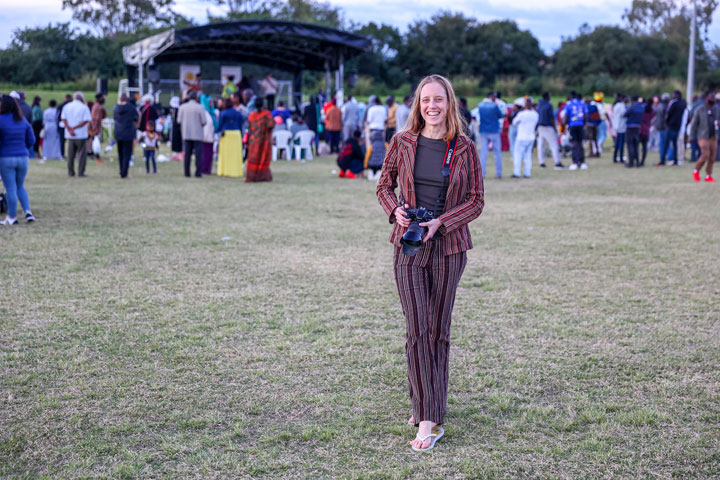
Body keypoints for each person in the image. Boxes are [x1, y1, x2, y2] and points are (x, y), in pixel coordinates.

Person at [376, 74, 484, 453]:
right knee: (417, 328)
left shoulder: (465, 148)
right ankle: (427, 417)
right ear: (417, 105)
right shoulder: (402, 141)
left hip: (449, 248)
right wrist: (397, 213)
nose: (432, 106)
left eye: (438, 99)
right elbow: (383, 186)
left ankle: (428, 405)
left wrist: (442, 221)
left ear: (449, 103)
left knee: (437, 331)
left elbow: (476, 200)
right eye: (425, 101)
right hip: (408, 247)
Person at [0, 95, 36, 225]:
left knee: (10, 188)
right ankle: (28, 212)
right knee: (20, 186)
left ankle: (12, 217)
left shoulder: (1, 120)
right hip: (23, 157)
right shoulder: (22, 120)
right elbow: (31, 140)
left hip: (6, 158)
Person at [61, 92, 92, 177]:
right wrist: (74, 128)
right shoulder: (84, 107)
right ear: (81, 98)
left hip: (69, 134)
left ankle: (71, 172)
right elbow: (86, 120)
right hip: (81, 134)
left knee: (70, 154)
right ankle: (81, 172)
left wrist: (69, 129)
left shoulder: (67, 106)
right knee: (82, 154)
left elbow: (63, 118)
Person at [177, 90, 207, 178]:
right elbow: (204, 121)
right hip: (198, 134)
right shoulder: (200, 107)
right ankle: (198, 173)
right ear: (197, 98)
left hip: (186, 133)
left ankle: (187, 173)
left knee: (187, 154)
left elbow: (179, 120)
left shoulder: (182, 107)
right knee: (198, 155)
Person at [689, 91, 717, 183]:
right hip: (703, 136)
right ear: (707, 98)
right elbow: (693, 124)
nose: (713, 99)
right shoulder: (700, 109)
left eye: (714, 97)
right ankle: (696, 170)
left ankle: (708, 175)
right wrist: (691, 137)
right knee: (705, 154)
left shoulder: (716, 109)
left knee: (712, 157)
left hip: (714, 136)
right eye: (711, 97)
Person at [245, 97, 275, 182]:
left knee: (253, 158)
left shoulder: (251, 115)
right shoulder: (266, 114)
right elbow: (271, 125)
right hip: (264, 141)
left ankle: (252, 176)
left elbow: (250, 127)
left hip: (253, 140)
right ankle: (262, 176)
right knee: (263, 158)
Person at [476, 92, 504, 178]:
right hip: (494, 130)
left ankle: (482, 173)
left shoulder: (480, 105)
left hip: (484, 130)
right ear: (491, 97)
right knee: (497, 152)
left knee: (483, 153)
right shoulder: (494, 105)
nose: (496, 98)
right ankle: (498, 173)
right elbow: (501, 115)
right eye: (495, 97)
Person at [217, 93, 245, 178]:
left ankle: (225, 171)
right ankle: (236, 171)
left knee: (225, 154)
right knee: (235, 154)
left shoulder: (224, 113)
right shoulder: (238, 113)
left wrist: (217, 131)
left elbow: (220, 125)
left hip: (226, 134)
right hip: (236, 134)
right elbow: (241, 124)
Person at [113, 93, 139, 179]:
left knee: (120, 153)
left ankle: (121, 171)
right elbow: (136, 118)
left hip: (118, 133)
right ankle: (124, 173)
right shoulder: (131, 107)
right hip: (128, 133)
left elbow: (115, 118)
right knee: (127, 154)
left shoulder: (116, 108)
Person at [511, 99, 538, 178]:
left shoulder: (521, 114)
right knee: (528, 155)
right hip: (531, 137)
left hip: (521, 137)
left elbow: (514, 122)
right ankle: (527, 173)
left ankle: (517, 172)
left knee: (518, 155)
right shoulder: (535, 114)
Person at [536, 92, 564, 169]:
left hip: (540, 126)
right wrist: (554, 128)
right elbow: (551, 118)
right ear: (547, 97)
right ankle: (557, 162)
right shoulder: (549, 105)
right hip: (548, 126)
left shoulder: (539, 104)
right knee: (554, 144)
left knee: (540, 145)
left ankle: (541, 162)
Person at [661, 90, 687, 166]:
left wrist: (666, 122)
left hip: (671, 125)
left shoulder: (674, 102)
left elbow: (668, 113)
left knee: (666, 143)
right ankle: (675, 160)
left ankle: (662, 160)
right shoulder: (683, 103)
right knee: (675, 144)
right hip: (678, 126)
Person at [564, 92, 588, 170]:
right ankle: (582, 162)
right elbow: (585, 116)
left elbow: (566, 116)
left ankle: (575, 162)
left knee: (573, 144)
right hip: (580, 125)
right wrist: (583, 124)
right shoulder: (582, 103)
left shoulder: (569, 104)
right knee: (580, 143)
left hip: (572, 125)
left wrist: (566, 125)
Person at [366, 97, 387, 180]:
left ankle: (371, 168)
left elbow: (369, 120)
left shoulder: (371, 109)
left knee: (372, 149)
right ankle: (379, 168)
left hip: (373, 130)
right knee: (381, 149)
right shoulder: (383, 108)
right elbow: (385, 120)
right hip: (381, 130)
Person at [624, 96, 645, 168]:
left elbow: (625, 114)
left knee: (630, 145)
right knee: (636, 145)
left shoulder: (631, 107)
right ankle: (637, 162)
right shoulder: (642, 107)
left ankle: (631, 163)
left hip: (630, 127)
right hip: (638, 127)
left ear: (632, 100)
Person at [88, 93, 107, 164]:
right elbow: (95, 119)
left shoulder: (97, 106)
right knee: (96, 143)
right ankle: (98, 158)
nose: (104, 99)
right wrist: (94, 129)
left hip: (95, 128)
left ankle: (92, 154)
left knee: (93, 142)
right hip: (95, 128)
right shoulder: (98, 107)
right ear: (99, 98)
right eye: (103, 98)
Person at [653, 93, 669, 165]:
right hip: (663, 127)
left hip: (660, 127)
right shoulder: (665, 107)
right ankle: (664, 158)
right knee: (664, 144)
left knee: (662, 144)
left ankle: (663, 158)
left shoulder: (660, 106)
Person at [612, 94, 627, 164]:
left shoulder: (616, 105)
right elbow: (624, 114)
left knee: (617, 143)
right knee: (621, 143)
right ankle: (621, 158)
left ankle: (615, 157)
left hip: (617, 126)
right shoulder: (621, 105)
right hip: (621, 126)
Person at [57, 94, 72, 159]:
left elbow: (57, 116)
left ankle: (62, 154)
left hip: (62, 124)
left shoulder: (60, 105)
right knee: (71, 141)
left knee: (62, 141)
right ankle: (71, 154)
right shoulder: (71, 105)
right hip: (70, 124)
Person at [639, 100, 654, 166]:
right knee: (644, 147)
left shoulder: (642, 110)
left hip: (640, 129)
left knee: (636, 146)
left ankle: (636, 160)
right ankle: (642, 161)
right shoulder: (652, 111)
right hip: (647, 130)